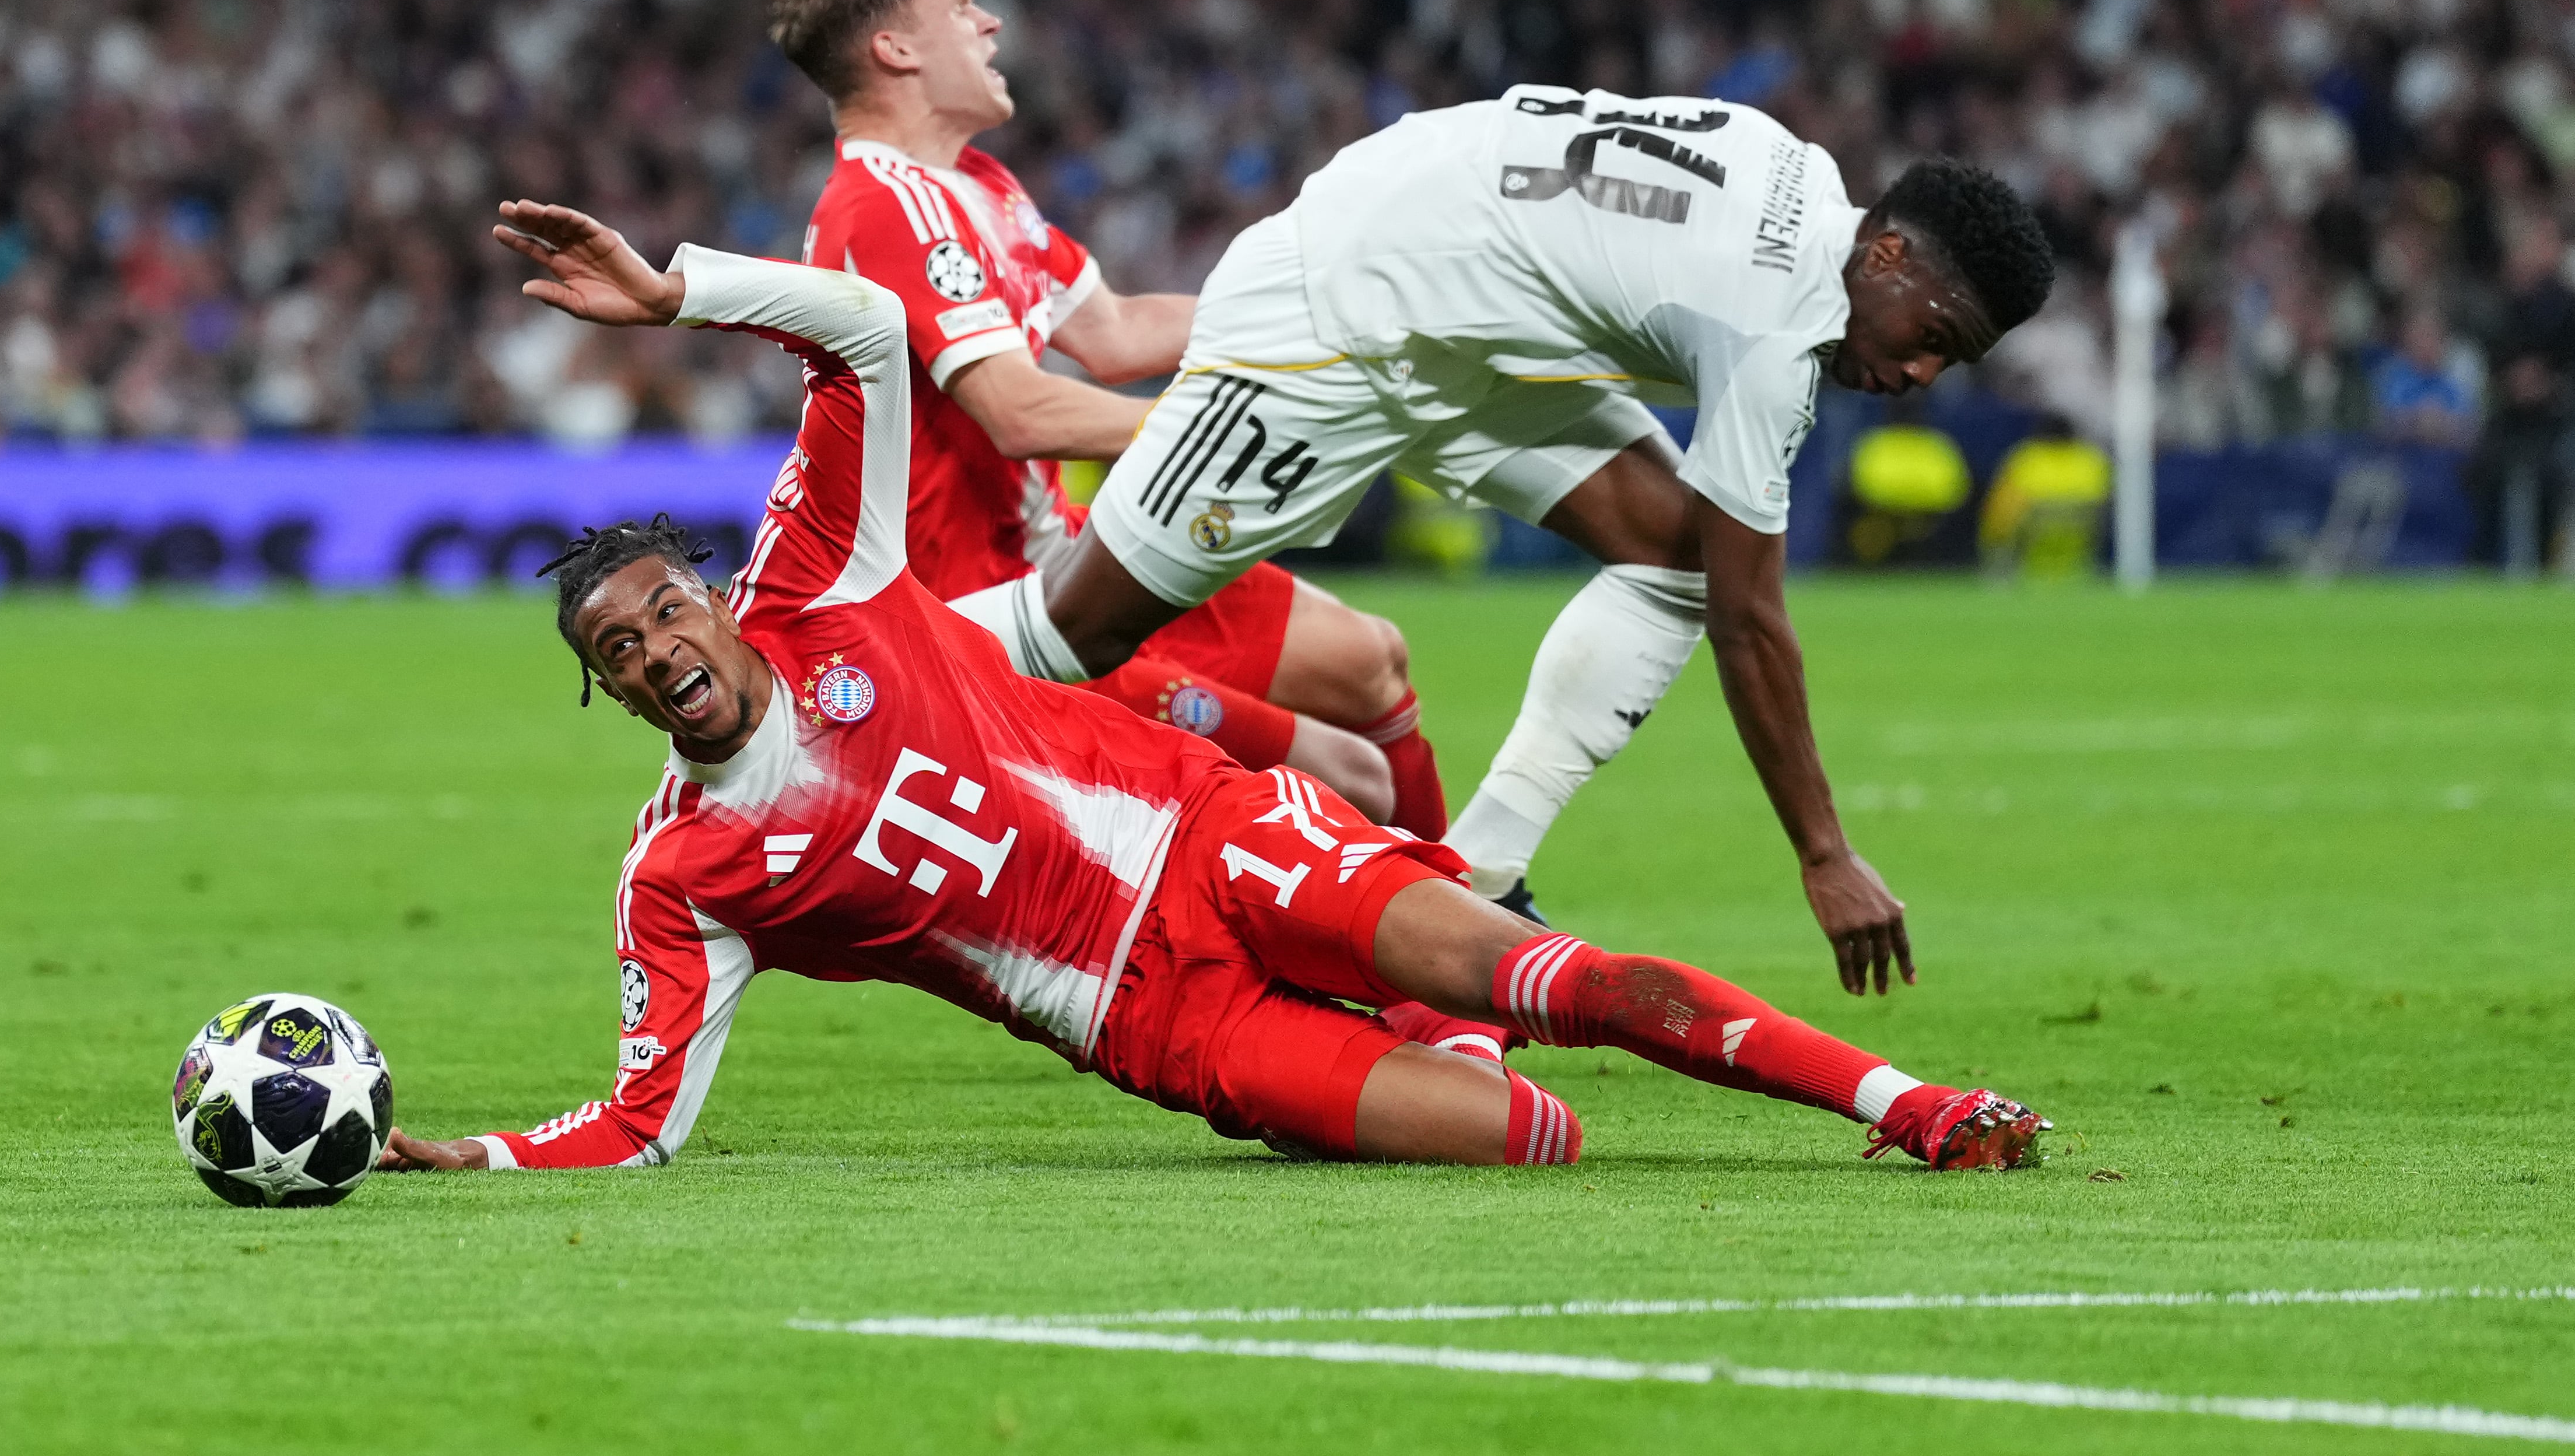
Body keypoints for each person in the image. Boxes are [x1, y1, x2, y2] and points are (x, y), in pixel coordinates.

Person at [373, 202, 2048, 1175]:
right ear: (613, 695)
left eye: (664, 612)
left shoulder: (824, 586)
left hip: (1216, 843)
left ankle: (1910, 1106)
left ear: (711, 597)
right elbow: (644, 1121)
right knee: (1528, 1140)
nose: (660, 653)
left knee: (1557, 983)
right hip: (1159, 1023)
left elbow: (872, 331)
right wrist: (484, 1160)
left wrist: (681, 293)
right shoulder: (679, 876)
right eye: (620, 656)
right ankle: (1434, 1035)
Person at [969, 87, 2054, 987]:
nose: (1917, 376)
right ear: (1890, 250)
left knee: (1672, 552)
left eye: (1948, 366)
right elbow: (1751, 621)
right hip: (1341, 320)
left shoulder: (1798, 170)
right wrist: (1825, 855)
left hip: (1462, 314)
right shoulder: (1776, 327)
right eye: (1932, 338)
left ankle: (1476, 876)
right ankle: (820, 655)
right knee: (1075, 633)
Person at [767, 0, 1444, 837]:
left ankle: (1477, 920)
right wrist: (1226, 425)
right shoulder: (878, 207)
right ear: (895, 50)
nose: (990, 21)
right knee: (1351, 781)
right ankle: (1437, 953)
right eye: (960, 5)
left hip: (1066, 545)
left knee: (1368, 658)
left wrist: (1326, 318)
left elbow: (1118, 331)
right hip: (984, 611)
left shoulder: (980, 187)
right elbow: (1016, 408)